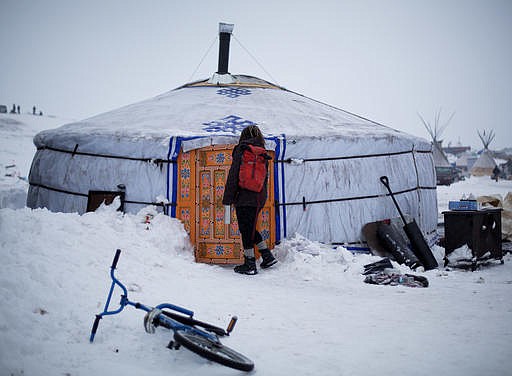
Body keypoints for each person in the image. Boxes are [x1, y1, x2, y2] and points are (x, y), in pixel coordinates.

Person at [222, 125, 277, 275]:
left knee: (246, 230)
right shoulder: (263, 152)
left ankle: (250, 263)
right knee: (250, 227)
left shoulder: (242, 149)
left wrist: (227, 198)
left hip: (244, 196)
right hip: (259, 197)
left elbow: (234, 175)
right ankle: (267, 256)